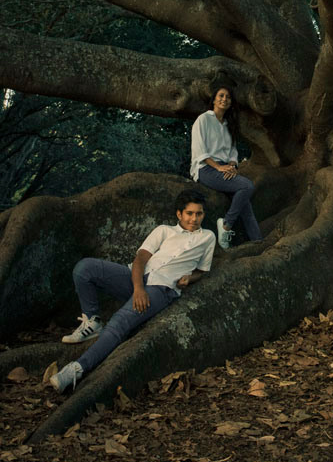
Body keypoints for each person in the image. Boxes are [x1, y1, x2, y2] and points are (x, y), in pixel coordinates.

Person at [50, 189, 216, 393]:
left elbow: (202, 270)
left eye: (199, 214)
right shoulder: (164, 230)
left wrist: (190, 278)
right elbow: (141, 259)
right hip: (135, 277)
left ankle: (77, 369)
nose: (194, 218)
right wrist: (138, 289)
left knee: (119, 322)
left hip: (161, 288)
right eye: (189, 213)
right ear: (179, 214)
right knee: (85, 268)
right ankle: (92, 321)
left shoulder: (207, 237)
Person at [190, 83, 262, 248]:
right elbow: (200, 150)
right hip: (206, 169)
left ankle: (258, 243)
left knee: (245, 204)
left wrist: (230, 164)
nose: (224, 99)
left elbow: (232, 151)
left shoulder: (228, 125)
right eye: (221, 95)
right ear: (214, 99)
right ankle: (226, 225)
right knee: (247, 186)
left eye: (228, 97)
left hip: (224, 168)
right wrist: (218, 167)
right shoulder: (204, 119)